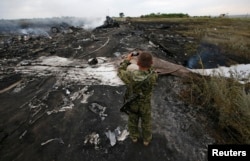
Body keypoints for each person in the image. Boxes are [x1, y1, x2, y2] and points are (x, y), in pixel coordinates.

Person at [118, 50, 158, 146]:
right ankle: (146, 140)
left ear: (138, 63)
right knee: (146, 123)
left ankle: (134, 137)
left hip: (133, 104)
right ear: (151, 63)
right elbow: (151, 68)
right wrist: (147, 61)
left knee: (132, 121)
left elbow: (120, 71)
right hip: (145, 105)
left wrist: (127, 60)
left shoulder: (130, 75)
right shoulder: (153, 76)